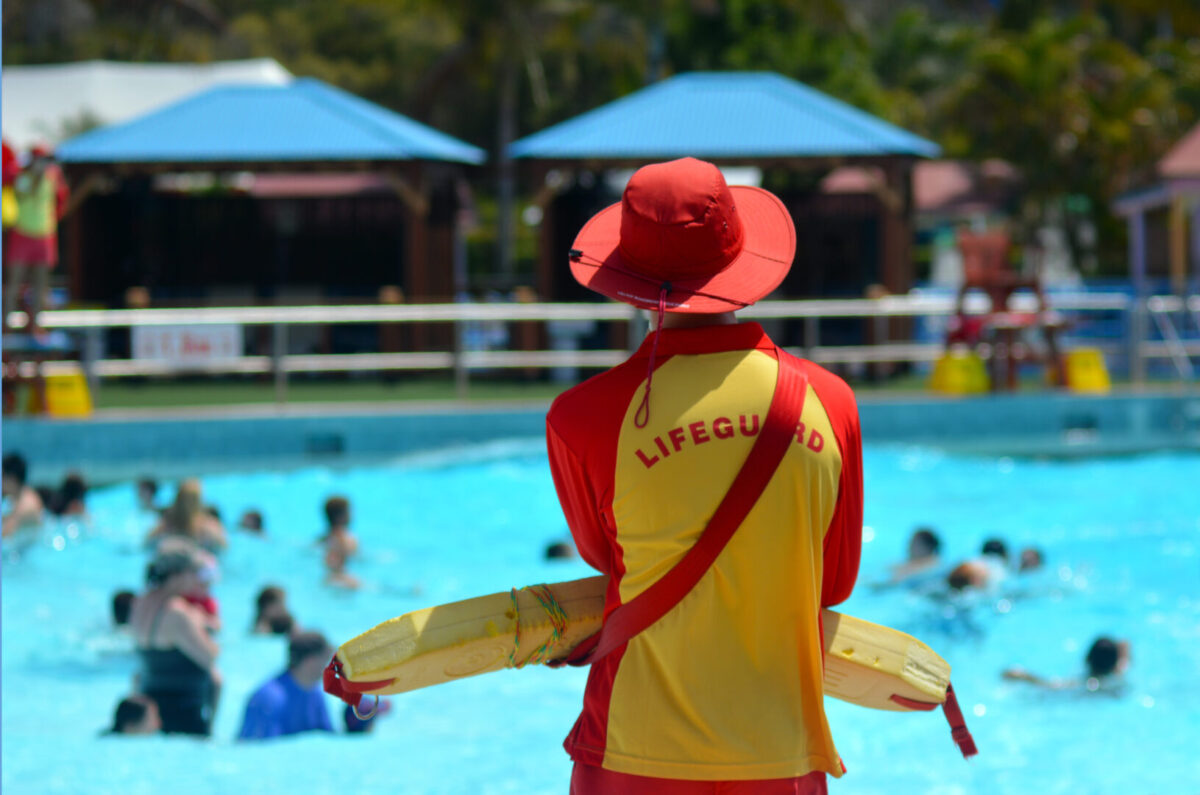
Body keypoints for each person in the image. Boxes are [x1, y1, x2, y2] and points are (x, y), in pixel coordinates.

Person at [544, 158, 863, 793]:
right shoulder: (830, 402)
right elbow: (833, 582)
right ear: (741, 260)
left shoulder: (579, 417)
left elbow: (607, 559)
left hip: (631, 749)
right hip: (781, 749)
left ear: (627, 276)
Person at [129, 545, 221, 736]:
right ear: (178, 575)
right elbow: (210, 655)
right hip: (184, 711)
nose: (196, 579)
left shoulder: (140, 602)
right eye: (193, 572)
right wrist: (198, 620)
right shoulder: (177, 612)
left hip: (151, 706)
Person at [4, 143, 68, 326]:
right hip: (22, 234)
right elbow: (15, 187)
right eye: (40, 159)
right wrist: (32, 174)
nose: (44, 164)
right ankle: (5, 323)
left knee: (40, 286)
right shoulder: (21, 176)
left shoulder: (54, 177)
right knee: (13, 283)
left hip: (45, 236)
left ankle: (35, 325)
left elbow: (61, 200)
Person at [237, 631, 335, 740]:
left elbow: (328, 739)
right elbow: (256, 749)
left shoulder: (315, 693)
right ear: (310, 662)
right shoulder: (268, 698)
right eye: (327, 661)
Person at [1003, 636, 1131, 693]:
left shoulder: (1082, 684)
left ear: (1087, 658)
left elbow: (1049, 685)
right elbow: (1124, 662)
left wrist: (1022, 675)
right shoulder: (1112, 684)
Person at [145, 479, 227, 554]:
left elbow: (224, 545)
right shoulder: (169, 522)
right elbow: (148, 542)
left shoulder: (206, 524)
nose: (187, 505)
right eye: (185, 499)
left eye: (191, 500)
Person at [2, 452, 45, 537]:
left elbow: (5, 534)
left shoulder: (27, 506)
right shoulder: (21, 496)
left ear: (12, 478)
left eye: (2, 475)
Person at [321, 496, 359, 589]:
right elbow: (352, 555)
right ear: (341, 516)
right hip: (344, 577)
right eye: (349, 512)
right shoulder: (347, 538)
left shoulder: (323, 538)